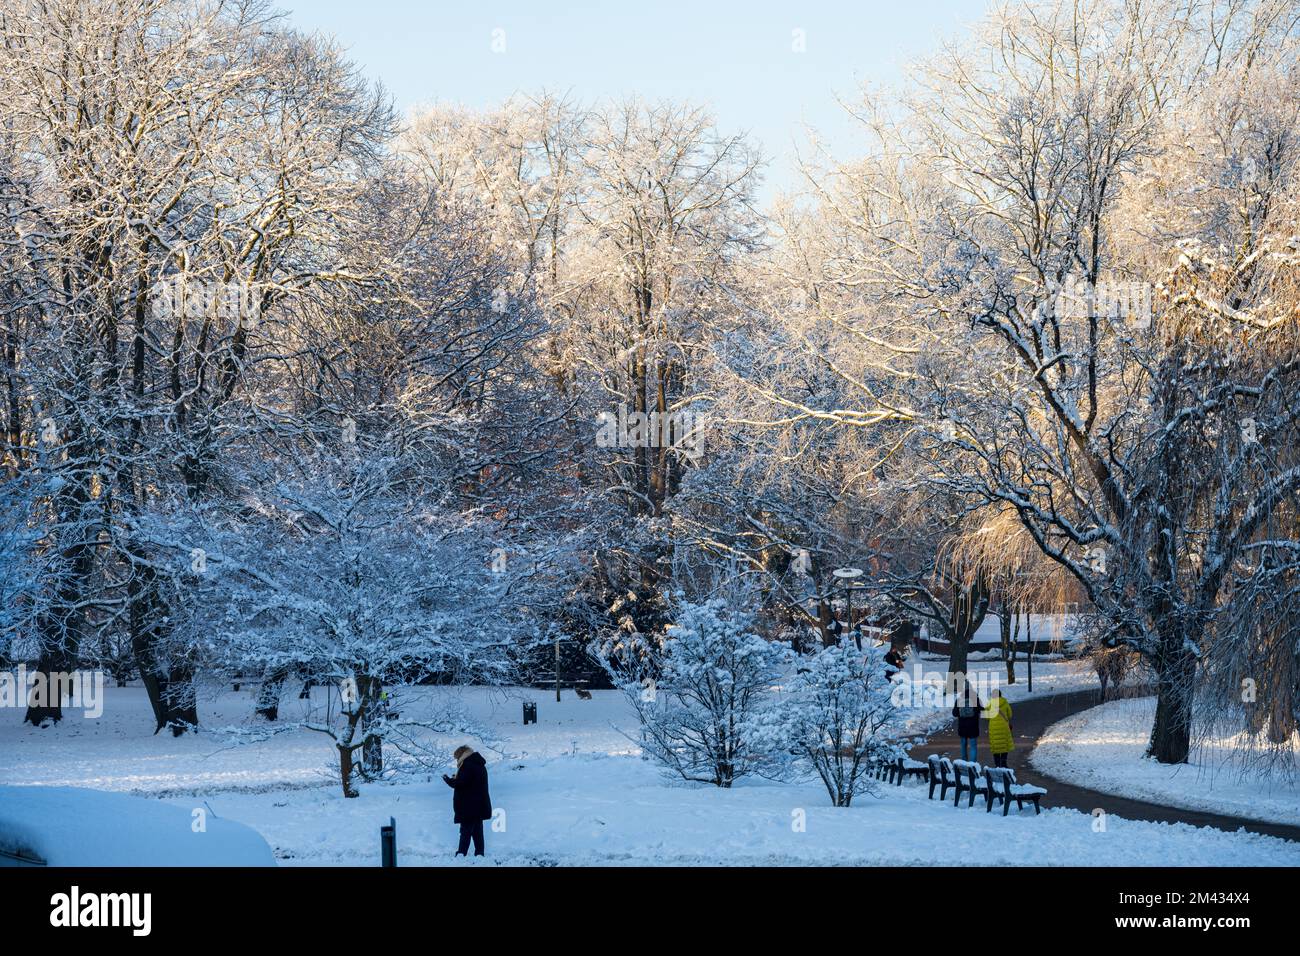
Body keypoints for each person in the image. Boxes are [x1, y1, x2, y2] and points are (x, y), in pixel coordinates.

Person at [443, 744, 492, 857]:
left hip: (469, 805)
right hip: (479, 804)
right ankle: (480, 853)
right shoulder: (478, 764)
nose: (457, 761)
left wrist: (449, 780)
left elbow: (461, 783)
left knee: (465, 831)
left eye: (457, 758)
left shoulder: (468, 765)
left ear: (461, 755)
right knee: (477, 831)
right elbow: (470, 782)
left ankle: (461, 854)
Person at [952, 685, 983, 762]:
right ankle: (972, 766)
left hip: (962, 728)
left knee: (963, 746)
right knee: (973, 747)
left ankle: (964, 763)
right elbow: (981, 710)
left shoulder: (959, 700)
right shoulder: (976, 699)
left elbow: (954, 713)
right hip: (973, 727)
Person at [987, 690, 1014, 767]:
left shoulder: (989, 704)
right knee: (1004, 745)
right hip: (1004, 726)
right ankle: (1004, 763)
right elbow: (1010, 714)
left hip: (993, 727)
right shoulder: (1005, 702)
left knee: (996, 746)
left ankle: (997, 764)